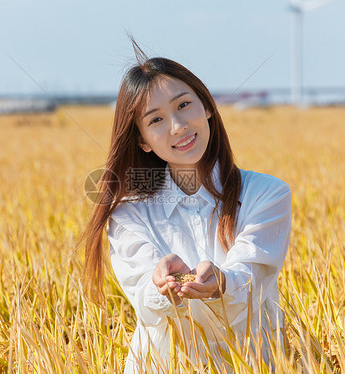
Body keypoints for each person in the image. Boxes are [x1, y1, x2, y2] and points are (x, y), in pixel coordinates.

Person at [80, 40, 292, 373]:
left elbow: (253, 274)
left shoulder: (266, 194)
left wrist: (221, 282)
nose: (178, 126)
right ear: (142, 142)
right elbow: (143, 295)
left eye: (184, 105)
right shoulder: (127, 213)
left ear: (207, 106)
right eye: (155, 121)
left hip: (254, 365)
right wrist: (159, 281)